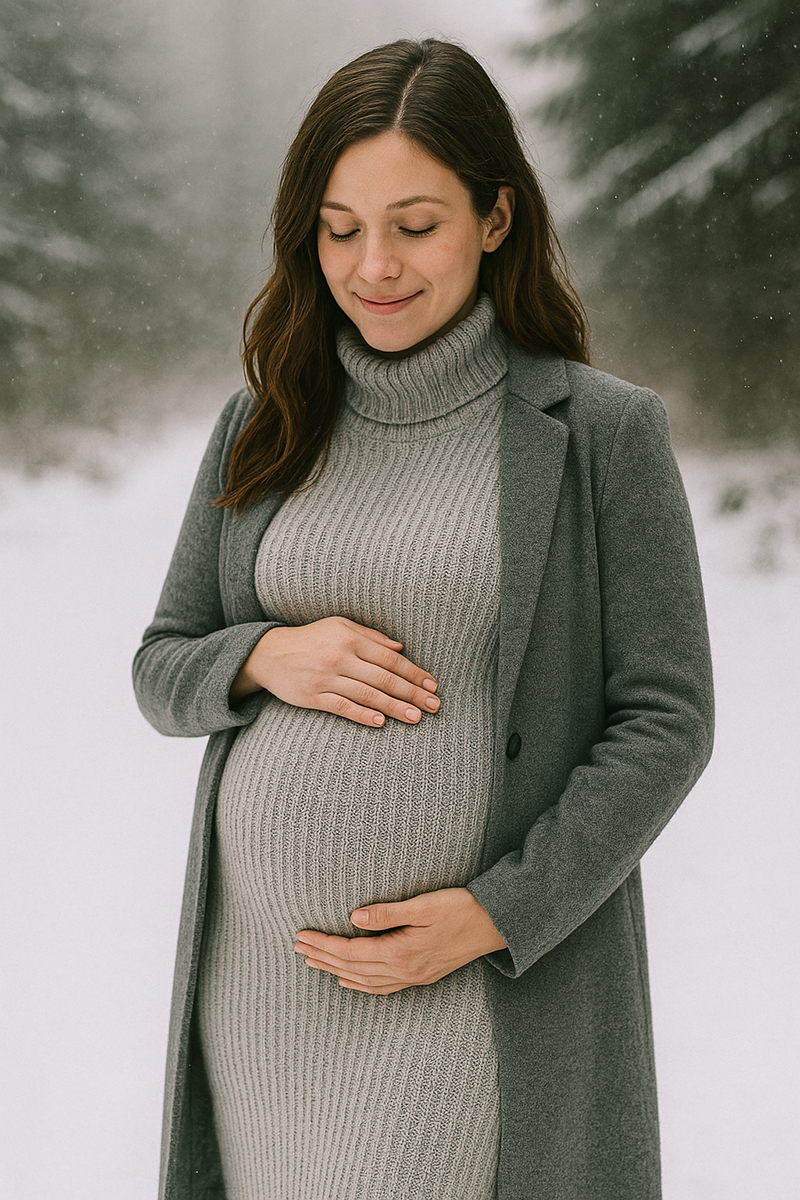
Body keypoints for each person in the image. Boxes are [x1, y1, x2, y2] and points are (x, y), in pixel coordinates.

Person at [133, 38, 714, 1200]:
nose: (372, 265)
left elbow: (664, 721)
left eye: (413, 224)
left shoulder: (598, 434)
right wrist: (261, 655)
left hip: (473, 991)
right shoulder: (264, 420)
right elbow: (162, 667)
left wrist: (493, 916)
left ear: (494, 218)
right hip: (261, 997)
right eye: (339, 228)